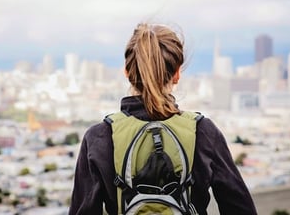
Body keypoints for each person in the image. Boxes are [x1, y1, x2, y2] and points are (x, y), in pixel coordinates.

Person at [69, 23, 258, 215]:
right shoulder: (203, 132)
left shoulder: (99, 137)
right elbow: (242, 209)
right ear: (176, 74)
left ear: (127, 72)